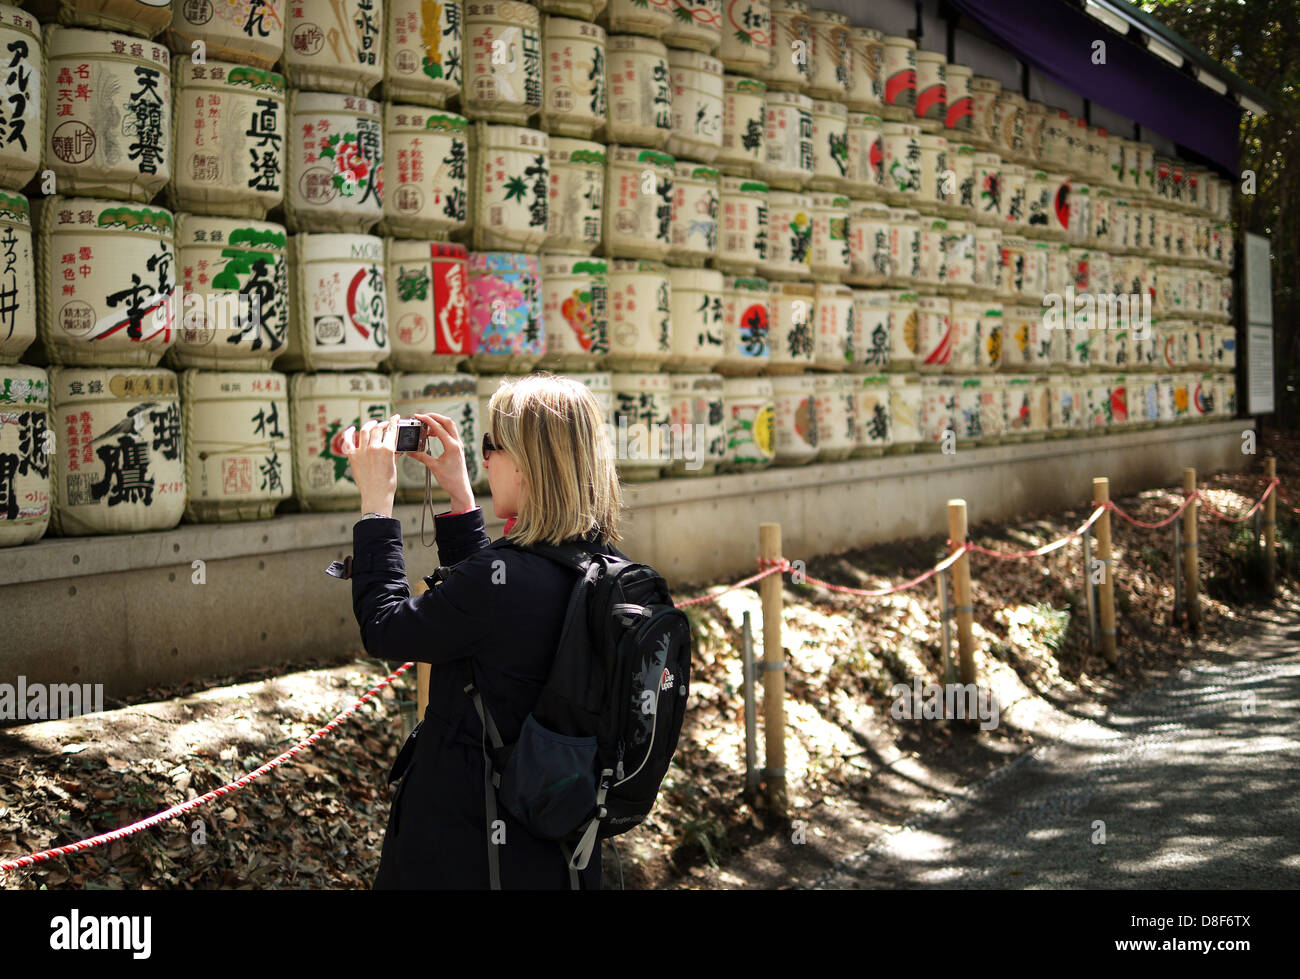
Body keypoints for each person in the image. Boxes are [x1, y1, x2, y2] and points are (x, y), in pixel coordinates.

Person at [341, 372, 627, 889]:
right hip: (561, 841)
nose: (486, 458)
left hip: (467, 843)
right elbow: (493, 611)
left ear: (529, 462)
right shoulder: (606, 567)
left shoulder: (505, 580)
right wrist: (459, 493)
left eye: (491, 445)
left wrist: (376, 509)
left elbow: (386, 628)